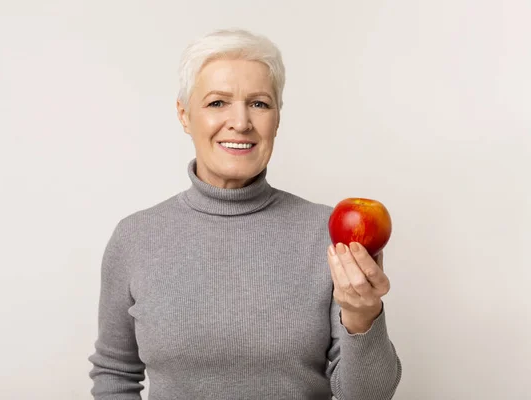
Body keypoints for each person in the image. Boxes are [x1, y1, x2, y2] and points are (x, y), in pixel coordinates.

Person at [88, 28, 402, 400]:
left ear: (277, 119)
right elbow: (114, 374)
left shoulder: (326, 232)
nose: (240, 122)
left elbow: (367, 396)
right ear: (184, 115)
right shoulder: (135, 237)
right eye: (218, 103)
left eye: (259, 103)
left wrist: (361, 316)